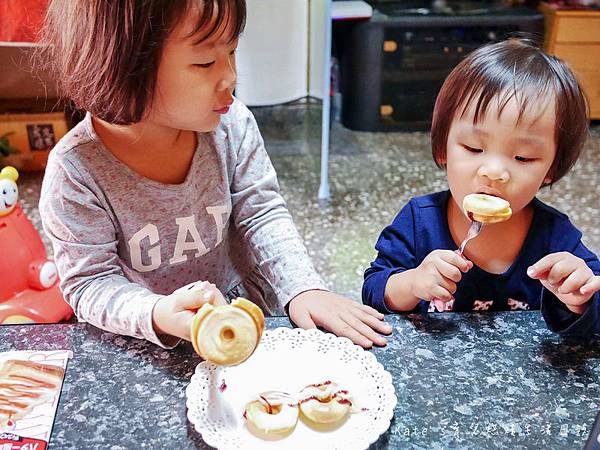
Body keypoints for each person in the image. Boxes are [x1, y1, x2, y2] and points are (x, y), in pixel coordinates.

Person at [38, 0, 391, 349]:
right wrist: (159, 312)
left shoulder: (231, 124)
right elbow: (90, 282)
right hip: (147, 332)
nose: (230, 78)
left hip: (242, 309)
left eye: (233, 51)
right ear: (121, 65)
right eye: (205, 61)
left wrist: (303, 287)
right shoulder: (76, 172)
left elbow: (262, 213)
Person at [362, 38, 600, 336]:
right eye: (474, 148)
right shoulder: (419, 222)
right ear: (443, 149)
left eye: (523, 157)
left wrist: (580, 299)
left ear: (550, 169)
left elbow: (594, 303)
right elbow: (373, 289)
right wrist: (411, 283)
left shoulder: (555, 236)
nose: (494, 172)